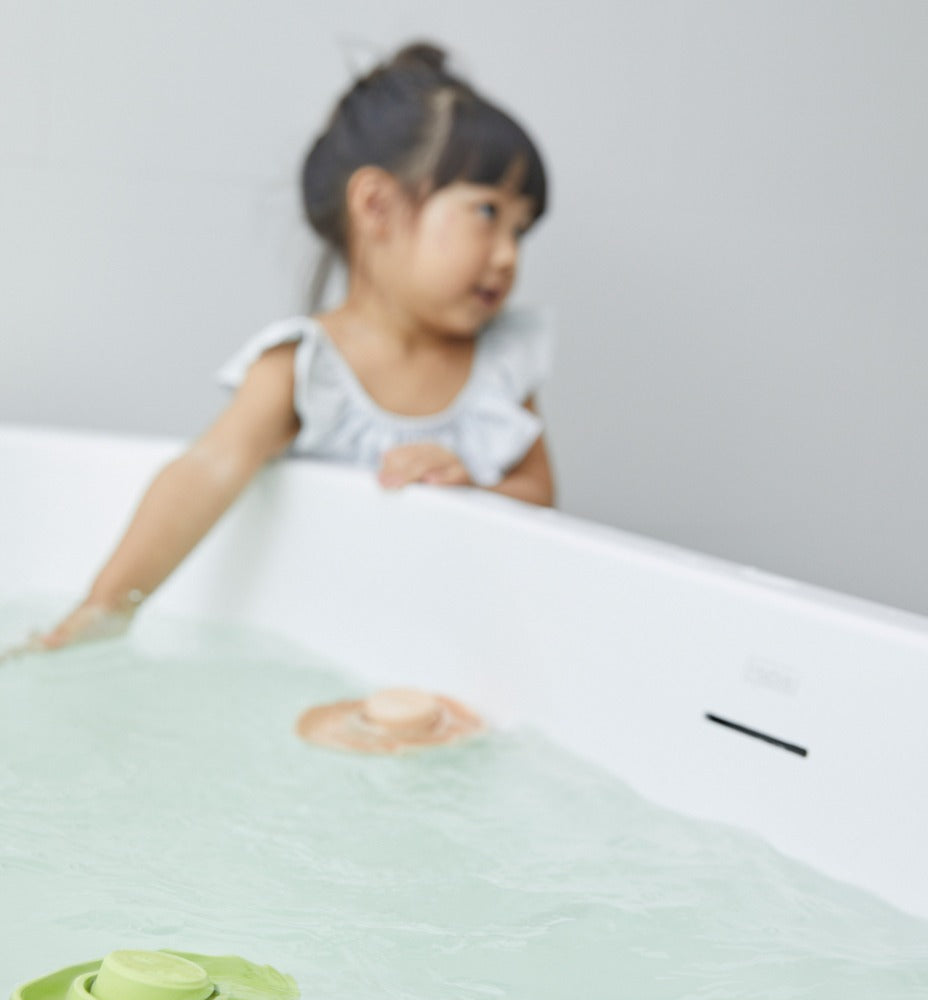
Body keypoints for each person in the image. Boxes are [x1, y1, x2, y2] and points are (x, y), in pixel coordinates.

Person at [39, 42, 554, 651]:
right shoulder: (306, 367)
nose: (507, 254)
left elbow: (539, 496)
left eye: (520, 229)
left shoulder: (499, 364)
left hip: (445, 640)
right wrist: (102, 610)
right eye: (488, 213)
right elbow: (207, 471)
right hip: (316, 634)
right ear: (376, 205)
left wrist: (471, 490)